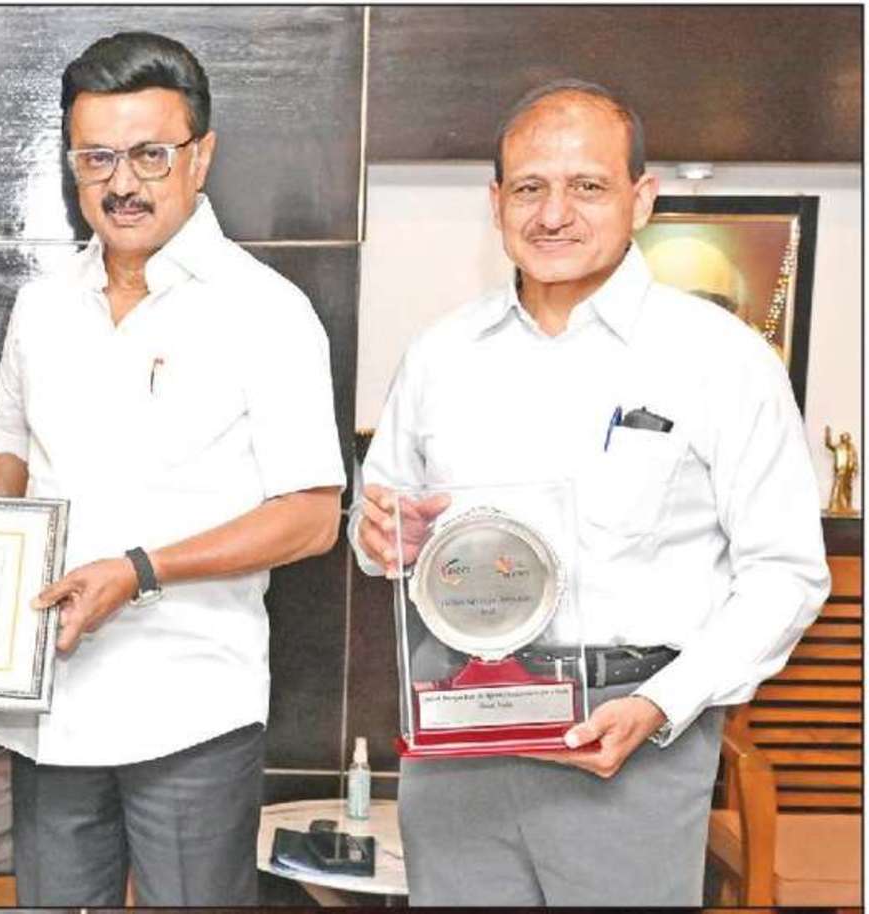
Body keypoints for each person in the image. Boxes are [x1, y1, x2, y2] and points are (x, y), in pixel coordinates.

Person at [350, 78, 830, 906]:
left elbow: (786, 573)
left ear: (641, 198)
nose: (553, 214)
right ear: (496, 203)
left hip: (632, 732)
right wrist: (384, 537)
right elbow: (382, 528)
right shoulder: (441, 355)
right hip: (464, 715)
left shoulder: (722, 360)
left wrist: (660, 704)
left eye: (588, 186)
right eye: (529, 188)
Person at [0, 31, 346, 906]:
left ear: (200, 157)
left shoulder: (266, 311)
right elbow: (10, 455)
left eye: (149, 156)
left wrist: (138, 571)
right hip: (48, 701)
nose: (122, 183)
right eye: (96, 158)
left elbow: (312, 516)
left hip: (189, 709)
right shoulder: (42, 305)